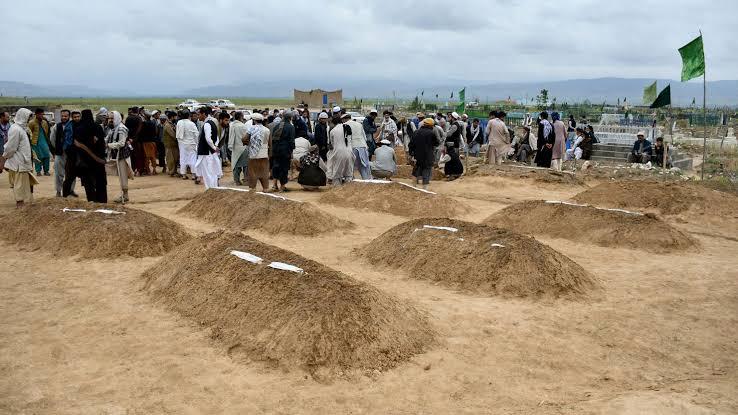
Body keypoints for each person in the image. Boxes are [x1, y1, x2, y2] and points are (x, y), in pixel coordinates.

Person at [0, 108, 38, 207]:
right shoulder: (15, 129)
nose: (29, 120)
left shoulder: (23, 128)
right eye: (28, 118)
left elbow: (26, 145)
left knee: (26, 183)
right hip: (19, 162)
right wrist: (4, 158)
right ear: (23, 117)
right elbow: (11, 147)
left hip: (24, 160)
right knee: (19, 184)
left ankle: (28, 202)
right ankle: (20, 204)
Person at [74, 109, 107, 203]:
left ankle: (92, 200)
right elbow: (102, 144)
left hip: (85, 162)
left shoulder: (79, 129)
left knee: (89, 183)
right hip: (98, 160)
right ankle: (102, 201)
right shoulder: (98, 128)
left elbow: (77, 146)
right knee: (100, 182)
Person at [105, 111, 133, 203]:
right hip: (117, 154)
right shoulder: (113, 128)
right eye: (109, 118)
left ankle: (125, 196)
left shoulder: (121, 128)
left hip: (122, 155)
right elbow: (107, 138)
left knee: (123, 175)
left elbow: (121, 143)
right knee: (121, 175)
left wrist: (109, 145)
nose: (110, 120)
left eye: (112, 118)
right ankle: (124, 195)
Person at [48, 110, 75, 197]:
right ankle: (58, 191)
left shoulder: (73, 126)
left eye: (66, 116)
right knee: (58, 174)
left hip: (71, 153)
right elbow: (52, 140)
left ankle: (70, 190)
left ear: (69, 116)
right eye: (62, 116)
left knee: (71, 173)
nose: (64, 118)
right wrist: (58, 148)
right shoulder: (57, 126)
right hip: (60, 153)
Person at [194, 107, 223, 189]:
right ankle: (213, 189)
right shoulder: (212, 122)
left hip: (207, 153)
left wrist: (214, 147)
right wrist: (215, 147)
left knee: (207, 173)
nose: (198, 116)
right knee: (212, 172)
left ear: (204, 114)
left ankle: (210, 190)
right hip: (210, 152)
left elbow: (208, 138)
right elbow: (216, 138)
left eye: (199, 114)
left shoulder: (207, 124)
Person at [409, 118, 439, 190]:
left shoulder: (416, 132)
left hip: (417, 155)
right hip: (428, 156)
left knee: (415, 170)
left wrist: (411, 154)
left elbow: (410, 145)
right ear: (431, 126)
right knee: (426, 171)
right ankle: (424, 189)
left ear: (423, 124)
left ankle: (414, 186)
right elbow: (436, 143)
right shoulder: (431, 133)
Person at [270, 111, 296, 192]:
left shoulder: (277, 125)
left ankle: (274, 185)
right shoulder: (291, 127)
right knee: (284, 168)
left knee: (275, 167)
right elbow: (291, 141)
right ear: (290, 118)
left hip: (276, 150)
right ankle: (282, 187)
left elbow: (273, 139)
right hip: (285, 151)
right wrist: (292, 150)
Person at [244, 113, 271, 191]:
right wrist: (270, 154)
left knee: (253, 172)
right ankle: (265, 189)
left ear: (254, 120)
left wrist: (248, 143)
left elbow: (244, 139)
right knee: (264, 173)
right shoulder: (267, 129)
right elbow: (270, 143)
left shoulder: (251, 128)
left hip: (253, 155)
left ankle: (253, 189)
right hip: (264, 154)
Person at [327, 114, 355, 186]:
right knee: (348, 173)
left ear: (333, 122)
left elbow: (331, 145)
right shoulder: (347, 127)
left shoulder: (333, 131)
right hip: (349, 152)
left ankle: (337, 190)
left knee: (337, 174)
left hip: (338, 153)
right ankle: (347, 189)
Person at [343, 112, 371, 180]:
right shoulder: (359, 124)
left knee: (350, 166)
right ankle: (366, 181)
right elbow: (364, 137)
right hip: (362, 146)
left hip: (353, 147)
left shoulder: (344, 125)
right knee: (363, 166)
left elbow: (345, 138)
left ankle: (350, 182)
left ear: (344, 119)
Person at [62, 111, 82, 197]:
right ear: (72, 117)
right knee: (70, 175)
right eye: (75, 117)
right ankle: (65, 194)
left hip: (80, 154)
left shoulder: (82, 125)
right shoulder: (69, 126)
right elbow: (67, 141)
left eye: (78, 116)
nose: (77, 118)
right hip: (71, 154)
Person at [176, 109, 199, 182]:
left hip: (182, 143)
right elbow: (196, 135)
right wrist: (197, 143)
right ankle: (193, 175)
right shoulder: (191, 123)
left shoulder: (179, 122)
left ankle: (183, 175)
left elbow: (177, 135)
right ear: (189, 116)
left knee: (183, 158)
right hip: (191, 143)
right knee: (192, 158)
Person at [28, 108, 52, 176]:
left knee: (47, 156)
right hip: (35, 143)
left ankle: (46, 171)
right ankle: (38, 171)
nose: (42, 116)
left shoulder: (44, 122)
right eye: (40, 114)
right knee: (37, 157)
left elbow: (47, 132)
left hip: (44, 142)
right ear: (36, 114)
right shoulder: (31, 123)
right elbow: (29, 132)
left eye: (42, 114)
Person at [228, 111, 250, 185]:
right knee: (246, 165)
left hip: (235, 148)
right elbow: (246, 137)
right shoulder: (242, 126)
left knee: (236, 165)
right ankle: (246, 180)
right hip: (243, 147)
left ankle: (237, 180)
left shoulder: (232, 125)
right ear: (240, 117)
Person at [443, 112, 464, 179]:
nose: (448, 118)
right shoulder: (453, 125)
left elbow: (448, 134)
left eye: (450, 117)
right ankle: (451, 173)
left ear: (453, 118)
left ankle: (455, 173)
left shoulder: (455, 125)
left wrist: (444, 133)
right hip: (452, 145)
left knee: (453, 159)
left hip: (453, 146)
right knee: (451, 160)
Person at [162, 111, 179, 177]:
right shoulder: (167, 125)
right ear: (172, 117)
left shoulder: (171, 124)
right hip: (169, 145)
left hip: (173, 145)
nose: (176, 118)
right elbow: (173, 135)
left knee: (175, 158)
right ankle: (171, 172)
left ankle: (174, 171)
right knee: (170, 159)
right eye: (175, 116)